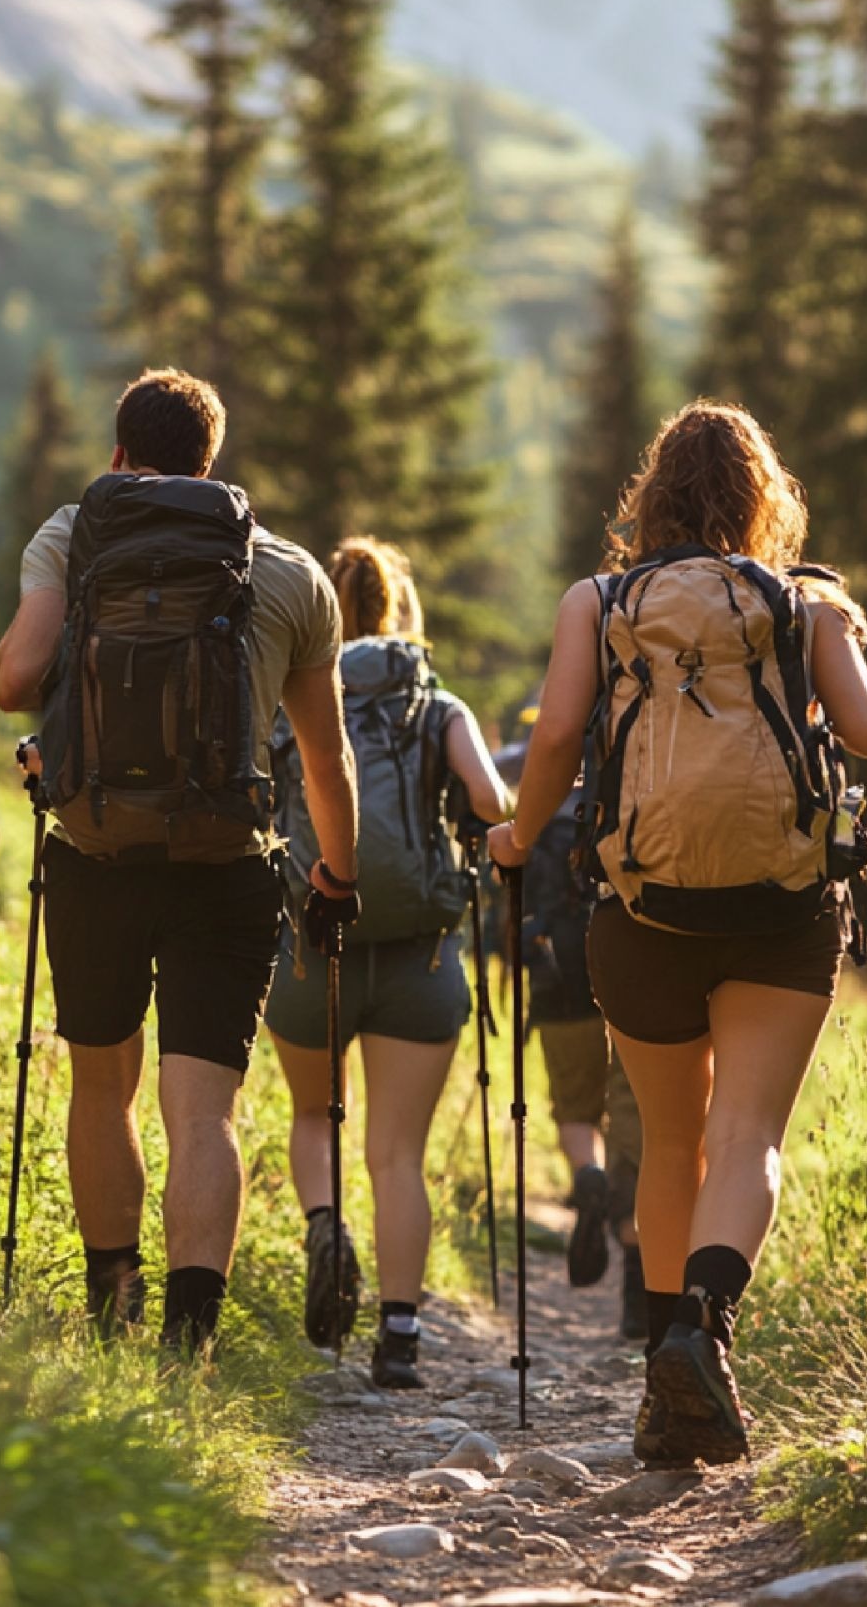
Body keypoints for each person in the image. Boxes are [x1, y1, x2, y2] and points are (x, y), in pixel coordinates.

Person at [489, 400, 867, 1467]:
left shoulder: (598, 601)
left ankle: (666, 1392)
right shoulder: (803, 603)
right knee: (748, 1137)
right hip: (781, 911)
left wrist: (517, 836)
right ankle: (703, 1323)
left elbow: (556, 732)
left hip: (644, 908)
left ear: (651, 496)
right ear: (761, 500)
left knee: (669, 1138)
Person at [0, 368, 358, 1357]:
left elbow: (18, 675)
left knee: (98, 1088)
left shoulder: (72, 535)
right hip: (225, 860)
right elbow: (324, 758)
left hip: (95, 850)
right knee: (205, 1109)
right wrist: (339, 876)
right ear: (211, 464)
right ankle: (187, 1348)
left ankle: (115, 1312)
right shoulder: (285, 570)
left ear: (119, 456)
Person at [265, 537, 511, 1390]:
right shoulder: (436, 703)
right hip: (419, 951)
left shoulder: (298, 687)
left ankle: (326, 1226)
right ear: (401, 609)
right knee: (396, 1153)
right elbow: (491, 800)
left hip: (311, 943)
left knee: (313, 1115)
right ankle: (399, 1337)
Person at [509, 757, 647, 1340]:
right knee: (635, 1111)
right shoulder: (637, 781)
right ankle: (638, 1282)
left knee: (574, 1108)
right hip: (630, 964)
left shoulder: (538, 805)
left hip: (557, 976)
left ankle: (587, 1176)